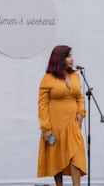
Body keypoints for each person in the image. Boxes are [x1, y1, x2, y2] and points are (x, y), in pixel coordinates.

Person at [37, 45, 87, 186]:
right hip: (55, 125)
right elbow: (42, 105)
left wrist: (81, 112)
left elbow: (80, 98)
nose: (72, 59)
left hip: (72, 124)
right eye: (68, 56)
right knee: (56, 158)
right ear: (59, 59)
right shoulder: (48, 79)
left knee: (76, 156)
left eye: (71, 55)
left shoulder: (75, 76)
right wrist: (46, 128)